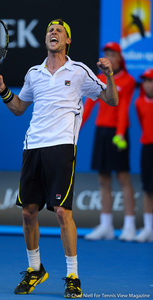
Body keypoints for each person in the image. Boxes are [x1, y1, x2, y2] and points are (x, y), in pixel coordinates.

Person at [0, 19, 118, 298]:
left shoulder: (80, 71)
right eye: (50, 30)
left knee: (61, 212)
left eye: (59, 31)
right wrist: (2, 89)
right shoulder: (34, 73)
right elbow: (20, 107)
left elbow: (111, 100)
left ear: (68, 40)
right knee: (27, 212)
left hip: (61, 148)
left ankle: (73, 275)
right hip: (32, 147)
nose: (53, 33)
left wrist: (109, 75)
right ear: (46, 39)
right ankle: (35, 269)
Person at [81, 42, 136, 242]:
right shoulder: (98, 78)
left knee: (123, 178)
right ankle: (106, 226)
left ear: (119, 58)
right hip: (101, 131)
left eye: (112, 54)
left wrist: (120, 133)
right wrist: (77, 128)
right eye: (106, 54)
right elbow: (88, 105)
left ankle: (129, 226)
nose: (109, 57)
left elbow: (123, 108)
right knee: (103, 179)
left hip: (118, 133)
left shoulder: (128, 81)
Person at [134, 69, 153, 243]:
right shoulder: (139, 103)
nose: (147, 84)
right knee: (147, 189)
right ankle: (148, 228)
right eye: (145, 81)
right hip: (147, 148)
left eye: (150, 80)